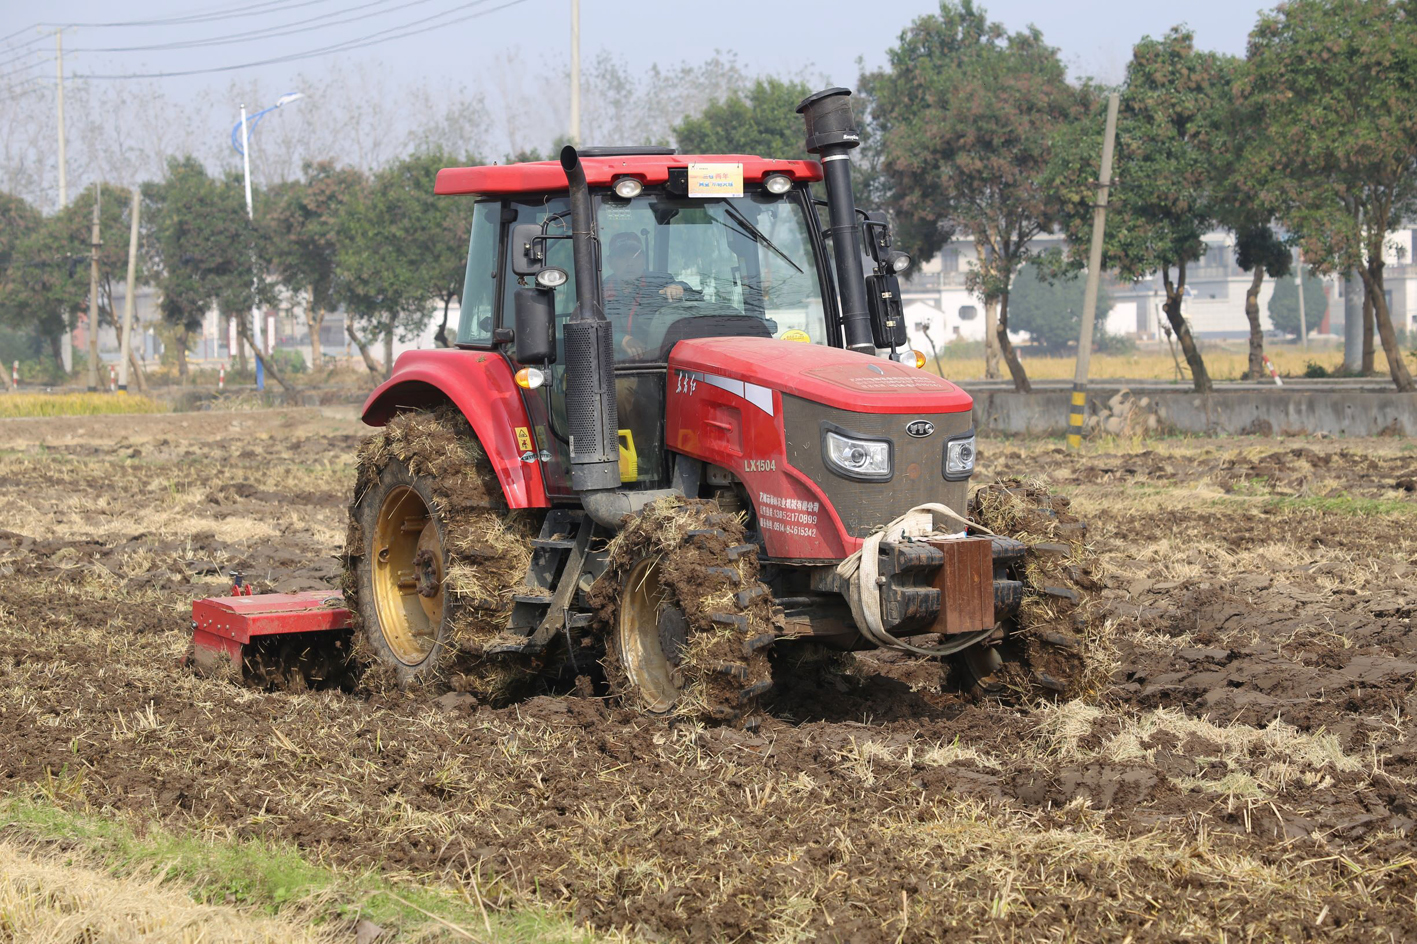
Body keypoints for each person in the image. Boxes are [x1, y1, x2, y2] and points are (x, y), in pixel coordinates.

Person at [602, 231, 694, 358]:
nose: (630, 263)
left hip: (658, 361)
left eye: (635, 256)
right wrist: (620, 339)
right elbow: (590, 328)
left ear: (643, 259)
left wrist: (679, 288)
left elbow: (694, 297)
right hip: (615, 365)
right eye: (622, 257)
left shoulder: (660, 281)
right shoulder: (599, 290)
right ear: (610, 262)